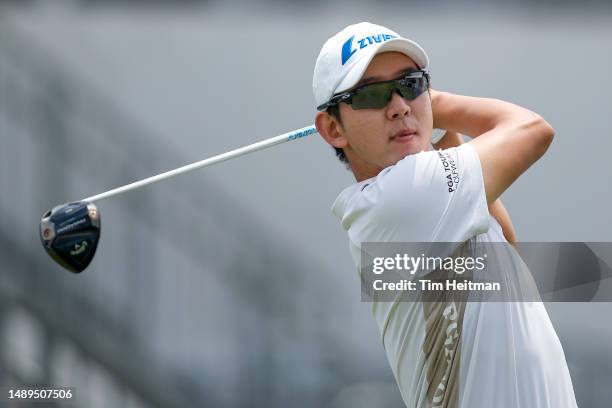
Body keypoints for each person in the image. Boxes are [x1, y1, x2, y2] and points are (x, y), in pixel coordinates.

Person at [313, 22, 578, 407]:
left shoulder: (426, 198)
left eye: (411, 84)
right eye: (372, 94)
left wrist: (434, 129)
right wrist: (436, 105)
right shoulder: (402, 198)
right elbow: (532, 129)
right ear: (334, 128)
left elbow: (507, 250)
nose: (400, 106)